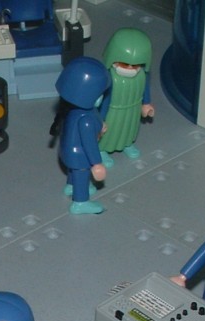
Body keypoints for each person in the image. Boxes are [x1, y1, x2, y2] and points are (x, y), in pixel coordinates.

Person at [55, 56, 111, 215]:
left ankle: (70, 186)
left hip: (67, 150)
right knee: (81, 175)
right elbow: (89, 144)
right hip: (80, 155)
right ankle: (81, 202)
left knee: (73, 172)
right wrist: (97, 163)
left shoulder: (76, 111)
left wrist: (100, 124)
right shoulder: (86, 120)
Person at [99, 28, 155, 164]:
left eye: (135, 65)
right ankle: (101, 149)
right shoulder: (109, 77)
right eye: (125, 64)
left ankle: (127, 143)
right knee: (109, 131)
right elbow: (104, 100)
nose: (130, 68)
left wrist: (146, 104)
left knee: (130, 128)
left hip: (133, 108)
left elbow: (145, 89)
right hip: (113, 112)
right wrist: (100, 119)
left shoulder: (142, 75)